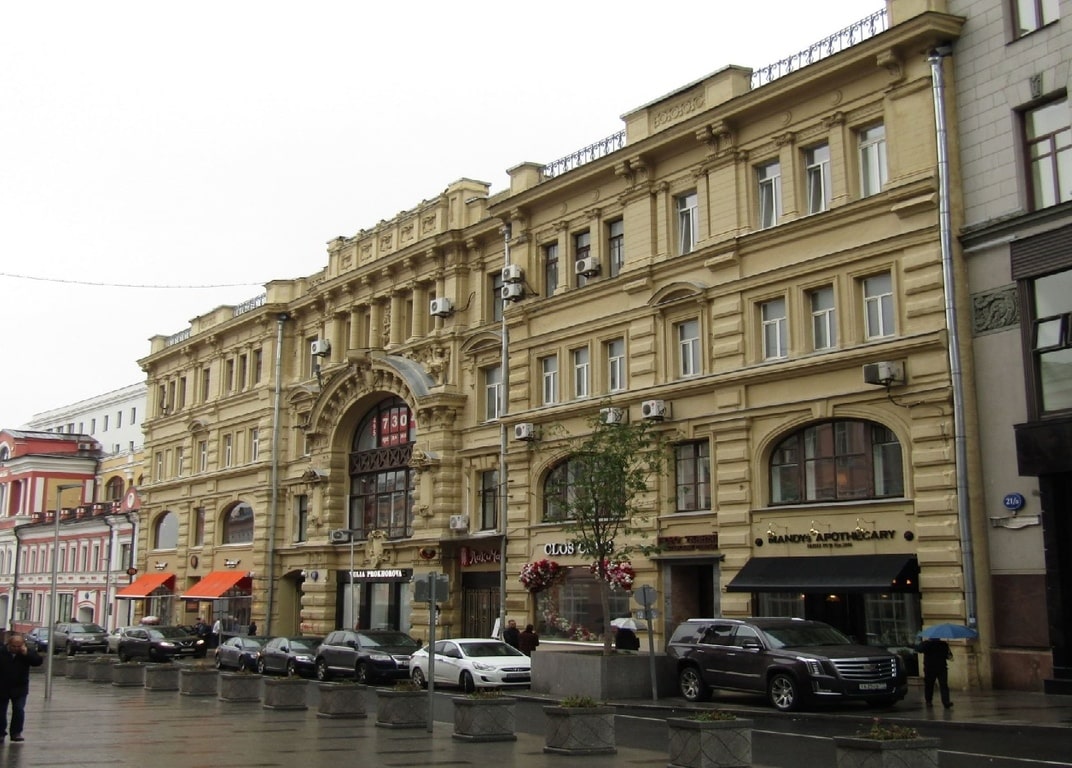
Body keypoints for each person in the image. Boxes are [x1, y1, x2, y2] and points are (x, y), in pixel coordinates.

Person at [0, 632, 43, 743]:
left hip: (20, 687)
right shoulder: (2, 651)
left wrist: (26, 653)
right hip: (2, 687)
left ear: (23, 645)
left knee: (19, 709)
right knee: (1, 711)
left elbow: (38, 662)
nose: (16, 648)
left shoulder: (26, 652)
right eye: (14, 646)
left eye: (19, 646)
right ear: (9, 644)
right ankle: (1, 733)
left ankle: (16, 733)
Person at [917, 636, 953, 708]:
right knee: (943, 685)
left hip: (930, 668)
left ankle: (929, 701)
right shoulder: (943, 644)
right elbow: (949, 657)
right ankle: (946, 702)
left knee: (929, 685)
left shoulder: (926, 644)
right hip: (941, 668)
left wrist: (922, 643)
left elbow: (919, 649)